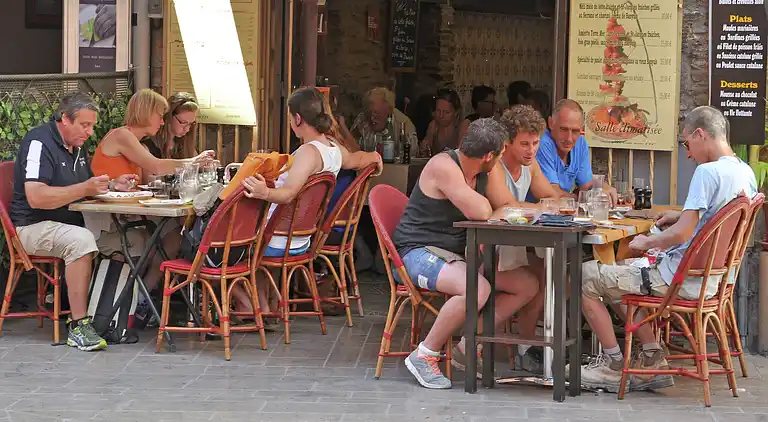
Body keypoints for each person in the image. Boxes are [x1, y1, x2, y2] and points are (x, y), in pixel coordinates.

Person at [574, 106, 757, 392]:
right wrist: (679, 215)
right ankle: (652, 358)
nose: (688, 153)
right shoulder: (745, 172)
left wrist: (646, 242)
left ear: (700, 134)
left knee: (584, 275)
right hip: (711, 281)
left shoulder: (707, 172)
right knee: (619, 274)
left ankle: (612, 366)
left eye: (687, 143)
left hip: (677, 280)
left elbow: (682, 233)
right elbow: (712, 220)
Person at [392, 118, 540, 389]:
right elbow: (482, 211)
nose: (501, 160)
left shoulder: (483, 170)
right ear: (488, 156)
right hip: (417, 252)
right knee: (477, 288)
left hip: (456, 256)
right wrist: (490, 208)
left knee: (527, 285)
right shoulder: (444, 166)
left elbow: (506, 205)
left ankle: (467, 345)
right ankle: (425, 355)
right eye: (500, 154)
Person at [236, 87, 382, 320]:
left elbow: (288, 194)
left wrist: (263, 191)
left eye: (289, 118)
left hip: (277, 240)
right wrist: (374, 158)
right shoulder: (333, 148)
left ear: (297, 119)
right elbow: (356, 160)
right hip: (301, 239)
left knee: (223, 246)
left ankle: (251, 305)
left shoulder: (308, 152)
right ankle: (263, 305)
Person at [10, 92, 137, 351]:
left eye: (92, 125)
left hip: (71, 221)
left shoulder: (77, 145)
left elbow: (83, 186)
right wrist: (85, 188)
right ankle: (79, 325)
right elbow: (36, 197)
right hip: (32, 227)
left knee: (135, 238)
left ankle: (114, 315)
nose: (90, 132)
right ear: (65, 119)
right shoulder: (39, 142)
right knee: (81, 240)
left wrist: (112, 185)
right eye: (84, 125)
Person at [89, 89, 215, 292]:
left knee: (175, 234)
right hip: (106, 220)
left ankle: (143, 294)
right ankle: (136, 295)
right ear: (146, 113)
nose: (163, 122)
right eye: (159, 115)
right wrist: (193, 162)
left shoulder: (135, 142)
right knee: (172, 234)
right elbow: (155, 167)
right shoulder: (122, 135)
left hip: (125, 214)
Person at [495, 105, 561, 373]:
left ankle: (526, 346)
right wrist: (541, 208)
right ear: (507, 142)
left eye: (535, 143)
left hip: (514, 248)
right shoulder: (495, 165)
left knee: (546, 275)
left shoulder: (530, 165)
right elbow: (507, 206)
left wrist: (542, 206)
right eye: (524, 144)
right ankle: (470, 340)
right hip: (486, 250)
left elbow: (552, 197)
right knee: (533, 281)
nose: (531, 150)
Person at [536, 99, 618, 204]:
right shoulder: (542, 143)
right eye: (564, 129)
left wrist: (602, 187)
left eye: (575, 131)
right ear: (551, 123)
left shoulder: (581, 143)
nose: (569, 138)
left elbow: (586, 185)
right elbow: (552, 193)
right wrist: (579, 197)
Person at [350, 87, 417, 153]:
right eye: (369, 113)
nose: (372, 118)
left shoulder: (402, 123)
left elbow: (412, 152)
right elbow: (349, 146)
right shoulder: (361, 119)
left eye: (377, 113)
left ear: (389, 111)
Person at [141, 92, 199, 160]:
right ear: (169, 117)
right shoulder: (147, 147)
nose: (187, 129)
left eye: (191, 124)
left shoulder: (186, 145)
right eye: (183, 123)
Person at [422, 88, 470, 156]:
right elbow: (425, 153)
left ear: (456, 112)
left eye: (446, 112)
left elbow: (461, 154)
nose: (441, 116)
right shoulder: (433, 125)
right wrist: (425, 147)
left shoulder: (463, 125)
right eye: (438, 111)